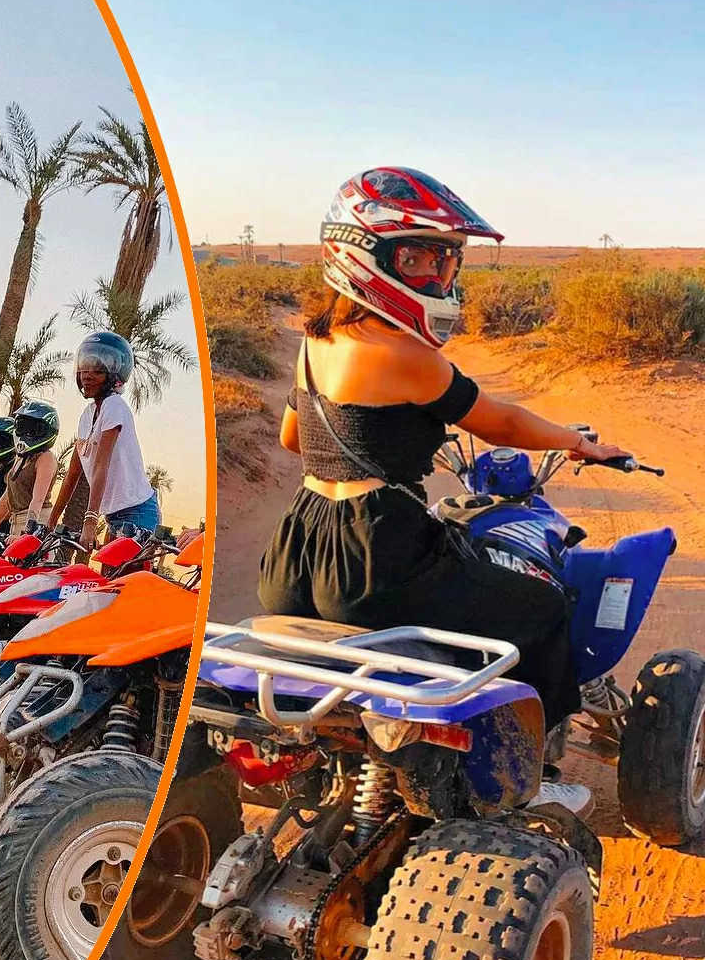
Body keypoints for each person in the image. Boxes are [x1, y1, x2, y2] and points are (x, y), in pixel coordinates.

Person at [257, 167, 630, 814]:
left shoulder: (312, 344)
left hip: (293, 550)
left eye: (443, 260)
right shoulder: (407, 354)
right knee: (540, 613)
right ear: (362, 254)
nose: (437, 275)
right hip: (377, 559)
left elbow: (294, 438)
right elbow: (501, 421)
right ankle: (529, 779)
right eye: (418, 258)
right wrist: (577, 440)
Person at [50, 332, 160, 551]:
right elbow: (73, 473)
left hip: (137, 512)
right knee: (108, 582)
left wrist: (90, 522)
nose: (88, 375)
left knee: (122, 583)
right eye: (84, 367)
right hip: (113, 516)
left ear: (115, 374)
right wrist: (51, 521)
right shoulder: (87, 414)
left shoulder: (114, 406)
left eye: (98, 369)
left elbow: (102, 465)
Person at [0, 401, 59, 539]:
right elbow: (7, 497)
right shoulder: (20, 458)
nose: (26, 433)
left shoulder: (46, 458)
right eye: (22, 427)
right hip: (16, 523)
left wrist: (28, 530)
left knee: (34, 561)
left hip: (36, 523)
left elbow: (37, 499)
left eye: (33, 429)